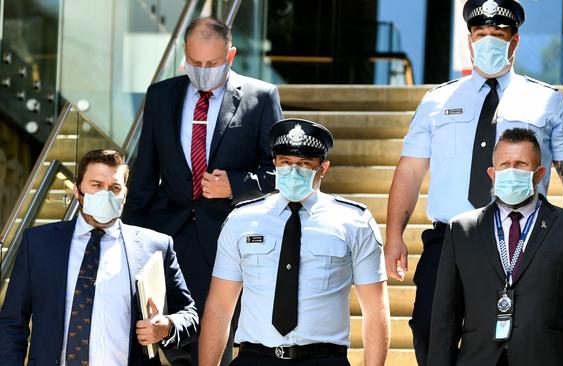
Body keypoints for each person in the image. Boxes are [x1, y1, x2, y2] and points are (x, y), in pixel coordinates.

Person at [384, 0, 563, 363]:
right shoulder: (436, 101)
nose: (488, 42)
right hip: (449, 238)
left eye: (498, 35)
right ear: (469, 40)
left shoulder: (546, 101)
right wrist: (393, 236)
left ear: (515, 42)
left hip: (523, 239)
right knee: (430, 328)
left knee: (521, 339)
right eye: (480, 34)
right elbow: (410, 170)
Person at [122, 16, 283, 363]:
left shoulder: (261, 97)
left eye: (212, 64)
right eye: (195, 63)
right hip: (167, 236)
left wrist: (236, 185)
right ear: (185, 55)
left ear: (231, 55)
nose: (203, 71)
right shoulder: (161, 95)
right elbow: (144, 175)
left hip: (226, 239)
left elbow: (280, 171)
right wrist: (126, 240)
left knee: (212, 346)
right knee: (158, 339)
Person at [198, 119, 390, 365]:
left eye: (304, 164)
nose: (293, 171)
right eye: (285, 163)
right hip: (255, 358)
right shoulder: (241, 220)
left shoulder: (354, 221)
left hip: (323, 359)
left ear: (323, 168)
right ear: (275, 164)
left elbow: (375, 310)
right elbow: (219, 306)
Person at [0, 149, 199, 366]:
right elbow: (12, 323)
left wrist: (167, 326)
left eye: (114, 188)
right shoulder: (38, 244)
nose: (106, 194)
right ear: (77, 191)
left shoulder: (156, 246)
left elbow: (190, 316)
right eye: (96, 185)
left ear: (124, 193)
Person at [427, 128, 563, 365]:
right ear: (492, 173)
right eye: (504, 165)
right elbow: (444, 317)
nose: (512, 171)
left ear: (539, 173)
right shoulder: (461, 230)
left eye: (521, 164)